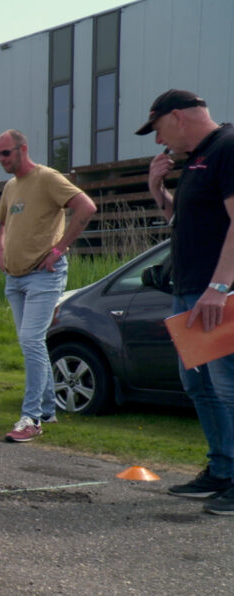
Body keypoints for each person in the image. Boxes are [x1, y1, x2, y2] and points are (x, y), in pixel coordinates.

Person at [136, 89, 234, 516]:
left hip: (214, 294)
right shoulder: (196, 160)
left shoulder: (227, 148)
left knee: (228, 386)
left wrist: (221, 286)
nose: (159, 141)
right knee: (200, 385)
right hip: (188, 288)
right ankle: (222, 469)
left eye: (157, 129)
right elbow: (187, 224)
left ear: (176, 117)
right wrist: (158, 189)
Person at [0, 129, 97, 442]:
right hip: (15, 277)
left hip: (44, 275)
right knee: (31, 344)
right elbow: (1, 223)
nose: (1, 160)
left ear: (23, 149)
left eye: (6, 153)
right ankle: (49, 409)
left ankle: (31, 418)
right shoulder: (11, 186)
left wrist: (59, 248)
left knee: (31, 340)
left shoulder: (48, 178)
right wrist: (0, 249)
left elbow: (86, 207)